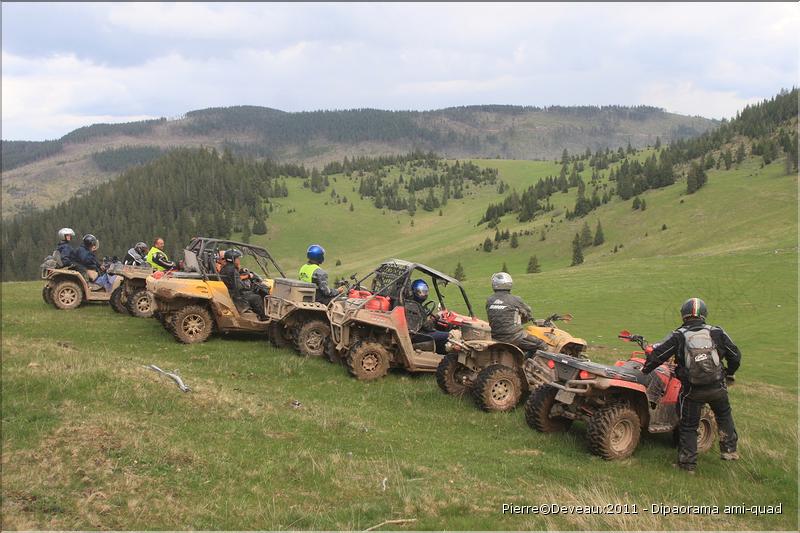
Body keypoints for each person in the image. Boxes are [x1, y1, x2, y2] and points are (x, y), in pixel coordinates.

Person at [642, 297, 741, 473]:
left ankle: (687, 465)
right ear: (704, 314)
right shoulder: (717, 332)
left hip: (692, 391)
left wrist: (645, 369)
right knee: (724, 414)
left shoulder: (679, 335)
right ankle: (729, 450)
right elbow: (735, 355)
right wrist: (729, 372)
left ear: (683, 315)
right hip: (718, 387)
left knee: (688, 426)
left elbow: (658, 355)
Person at [485, 272, 546, 354]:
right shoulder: (516, 299)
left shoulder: (489, 300)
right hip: (514, 337)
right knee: (541, 345)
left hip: (495, 337)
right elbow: (528, 314)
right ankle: (526, 363)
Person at [403, 279, 449, 354]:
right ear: (416, 291)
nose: (424, 294)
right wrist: (437, 316)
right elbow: (427, 326)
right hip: (420, 335)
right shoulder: (413, 306)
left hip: (418, 333)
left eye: (425, 292)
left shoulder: (414, 304)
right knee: (449, 336)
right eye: (422, 292)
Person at [219, 249, 267, 320]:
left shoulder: (225, 268)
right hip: (236, 296)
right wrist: (248, 287)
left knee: (252, 294)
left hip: (231, 292)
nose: (239, 260)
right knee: (257, 297)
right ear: (232, 259)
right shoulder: (233, 270)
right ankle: (263, 318)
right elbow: (239, 286)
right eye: (237, 258)